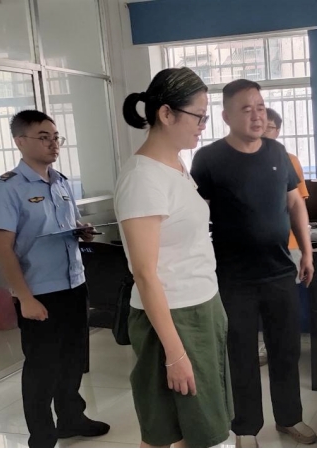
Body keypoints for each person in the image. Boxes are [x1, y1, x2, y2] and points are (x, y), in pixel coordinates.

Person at [191, 79, 316, 448]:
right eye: (246, 109)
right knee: (241, 356)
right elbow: (195, 214)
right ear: (226, 116)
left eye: (260, 107)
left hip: (280, 271)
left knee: (286, 350)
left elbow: (295, 204)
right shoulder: (209, 159)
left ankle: (290, 418)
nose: (257, 115)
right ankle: (245, 428)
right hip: (234, 278)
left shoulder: (277, 152)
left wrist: (306, 252)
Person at [115, 68, 233, 448]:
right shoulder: (142, 178)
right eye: (199, 116)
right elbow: (145, 274)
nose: (203, 126)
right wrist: (175, 353)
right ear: (166, 114)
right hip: (172, 318)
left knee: (196, 426)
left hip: (199, 306)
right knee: (167, 431)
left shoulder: (176, 166)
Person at [0, 110, 109, 448]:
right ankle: (41, 435)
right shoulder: (7, 188)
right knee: (42, 366)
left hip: (73, 285)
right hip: (39, 291)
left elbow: (66, 226)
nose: (53, 144)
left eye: (56, 137)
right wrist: (25, 298)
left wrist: (82, 231)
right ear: (20, 141)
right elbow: (4, 249)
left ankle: (71, 418)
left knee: (73, 358)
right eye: (44, 137)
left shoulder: (61, 181)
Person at [257, 108, 310, 367]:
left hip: (287, 245)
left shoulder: (288, 159)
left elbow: (298, 204)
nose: (261, 132)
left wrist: (306, 249)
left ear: (277, 131)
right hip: (255, 247)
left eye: (267, 127)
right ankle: (263, 346)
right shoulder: (240, 160)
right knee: (257, 299)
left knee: (283, 303)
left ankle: (282, 349)